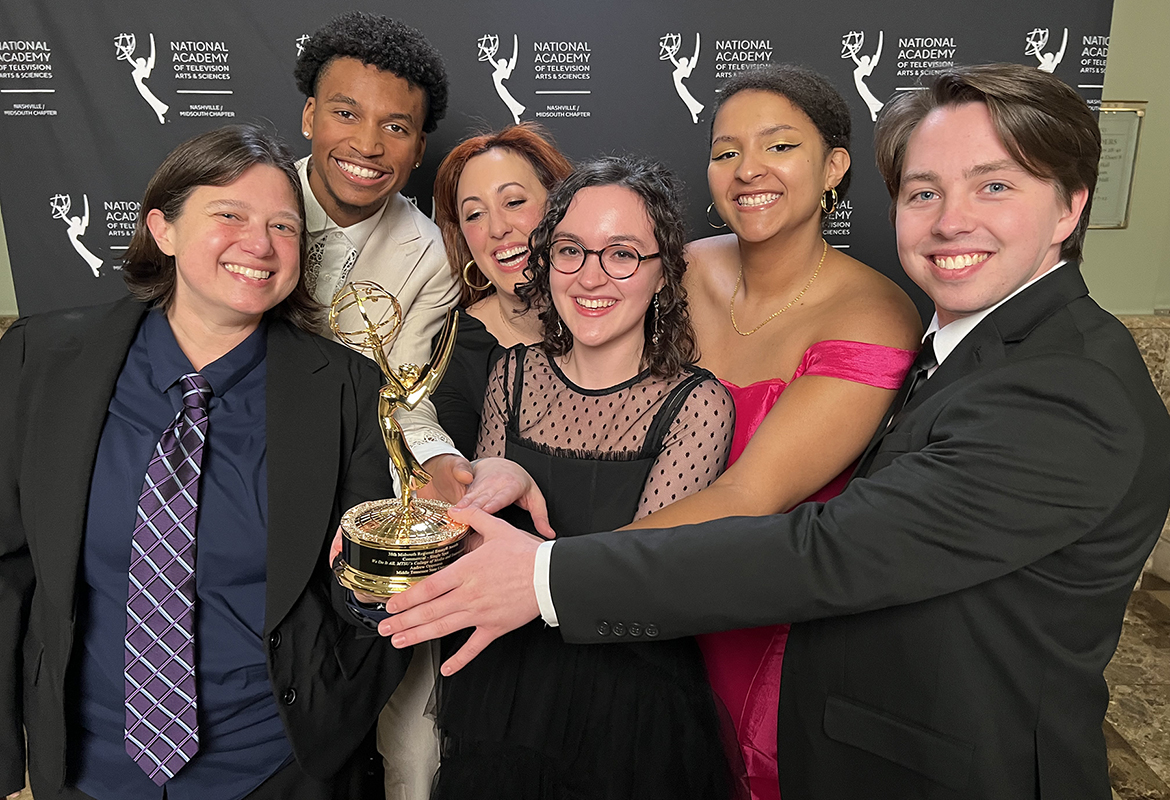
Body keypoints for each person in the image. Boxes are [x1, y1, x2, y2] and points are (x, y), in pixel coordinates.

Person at [381, 64, 1170, 799]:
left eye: (993, 185)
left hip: (948, 761)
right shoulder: (981, 346)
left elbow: (827, 548)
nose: (950, 219)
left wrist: (544, 577)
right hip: (825, 705)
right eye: (924, 192)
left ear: (1071, 204)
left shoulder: (1067, 388)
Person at [0, 125, 409, 800]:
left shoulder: (345, 387)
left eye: (283, 226)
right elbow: (9, 565)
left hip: (276, 768)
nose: (260, 244)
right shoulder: (41, 361)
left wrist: (378, 589)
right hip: (88, 770)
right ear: (162, 228)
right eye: (230, 215)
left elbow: (353, 575)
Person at [619, 65, 920, 800]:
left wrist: (559, 575)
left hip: (757, 627)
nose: (747, 169)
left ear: (834, 167)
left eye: (779, 146)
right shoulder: (679, 269)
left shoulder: (874, 313)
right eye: (726, 152)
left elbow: (751, 492)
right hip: (634, 594)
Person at [432, 155, 739, 800]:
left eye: (621, 253)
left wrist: (538, 551)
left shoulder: (696, 405)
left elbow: (643, 582)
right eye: (570, 250)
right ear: (547, 261)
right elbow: (478, 547)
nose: (592, 276)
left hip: (628, 713)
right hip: (503, 698)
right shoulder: (512, 377)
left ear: (662, 275)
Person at [294, 15, 470, 798]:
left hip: (353, 487)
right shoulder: (245, 198)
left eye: (395, 126)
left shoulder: (429, 253)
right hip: (239, 482)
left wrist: (440, 463)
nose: (368, 143)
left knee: (395, 702)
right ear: (308, 116)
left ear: (418, 145)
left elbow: (403, 397)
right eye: (345, 112)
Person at [430, 123, 573, 458]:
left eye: (513, 202)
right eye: (475, 214)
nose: (497, 229)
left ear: (560, 204)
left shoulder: (624, 315)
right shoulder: (454, 348)